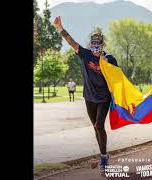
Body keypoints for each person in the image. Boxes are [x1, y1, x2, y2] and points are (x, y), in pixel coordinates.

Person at [54, 16, 119, 172]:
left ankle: (103, 157)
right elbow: (71, 42)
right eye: (93, 43)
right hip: (89, 97)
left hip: (104, 98)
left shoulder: (110, 59)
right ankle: (104, 154)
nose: (96, 46)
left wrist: (119, 96)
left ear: (102, 45)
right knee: (95, 127)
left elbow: (118, 79)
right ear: (91, 45)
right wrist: (60, 28)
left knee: (99, 125)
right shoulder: (85, 54)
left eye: (98, 43)